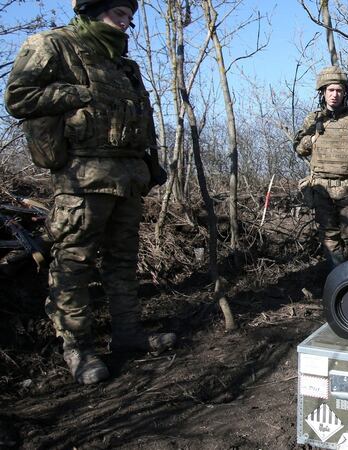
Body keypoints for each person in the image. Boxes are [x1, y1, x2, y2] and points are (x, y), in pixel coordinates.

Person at [4, 0, 176, 385]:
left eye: (130, 16)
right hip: (82, 178)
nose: (126, 21)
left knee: (122, 261)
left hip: (129, 177)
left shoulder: (123, 64)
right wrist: (76, 94)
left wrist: (151, 163)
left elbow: (141, 117)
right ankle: (77, 348)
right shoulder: (53, 44)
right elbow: (18, 97)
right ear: (94, 10)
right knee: (74, 263)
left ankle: (128, 335)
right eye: (120, 13)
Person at [293, 66, 348, 267]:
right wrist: (311, 140)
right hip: (321, 187)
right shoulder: (313, 119)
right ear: (323, 92)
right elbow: (298, 148)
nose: (334, 95)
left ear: (344, 93)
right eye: (330, 90)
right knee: (329, 239)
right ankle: (340, 281)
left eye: (339, 90)